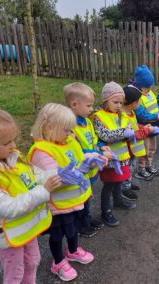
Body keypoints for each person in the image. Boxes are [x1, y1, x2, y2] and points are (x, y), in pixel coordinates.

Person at [0, 108, 61, 284]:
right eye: (6, 143)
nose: (13, 146)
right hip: (6, 235)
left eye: (13, 140)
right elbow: (8, 207)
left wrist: (58, 174)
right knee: (15, 273)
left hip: (26, 227)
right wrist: (44, 191)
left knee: (33, 261)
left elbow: (34, 176)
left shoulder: (13, 158)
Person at [28, 103, 101, 281]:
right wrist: (81, 171)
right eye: (66, 130)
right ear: (50, 128)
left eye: (70, 130)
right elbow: (54, 180)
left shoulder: (67, 140)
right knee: (57, 234)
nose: (70, 134)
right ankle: (58, 261)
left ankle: (73, 251)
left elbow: (78, 158)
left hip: (75, 201)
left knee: (74, 229)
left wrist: (93, 157)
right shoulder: (42, 151)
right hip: (58, 206)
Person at [64, 82, 111, 238]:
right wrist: (97, 153)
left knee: (88, 195)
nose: (92, 109)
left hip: (91, 169)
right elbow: (78, 152)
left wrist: (101, 147)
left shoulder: (88, 121)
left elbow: (94, 140)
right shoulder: (69, 128)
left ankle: (87, 218)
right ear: (74, 104)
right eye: (89, 105)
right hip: (81, 170)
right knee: (81, 197)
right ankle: (81, 225)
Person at [92, 82, 137, 228]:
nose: (119, 105)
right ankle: (106, 211)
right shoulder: (98, 117)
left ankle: (118, 201)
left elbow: (128, 130)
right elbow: (105, 135)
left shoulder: (121, 115)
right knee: (109, 185)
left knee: (119, 181)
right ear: (106, 100)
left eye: (121, 102)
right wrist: (123, 133)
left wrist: (129, 134)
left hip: (122, 157)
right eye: (115, 102)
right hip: (110, 160)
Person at [132, 65, 159, 179]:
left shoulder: (149, 93)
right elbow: (142, 114)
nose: (149, 89)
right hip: (144, 128)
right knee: (144, 150)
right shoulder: (138, 98)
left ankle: (149, 165)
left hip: (153, 127)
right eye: (146, 87)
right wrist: (158, 116)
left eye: (150, 86)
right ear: (139, 86)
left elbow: (155, 106)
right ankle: (141, 169)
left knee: (152, 148)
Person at [122, 85, 159, 180]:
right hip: (127, 148)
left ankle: (129, 184)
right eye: (139, 100)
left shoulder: (131, 112)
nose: (140, 102)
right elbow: (131, 133)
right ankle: (128, 184)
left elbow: (134, 126)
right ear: (133, 103)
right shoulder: (123, 116)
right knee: (127, 169)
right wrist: (146, 130)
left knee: (130, 167)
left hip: (133, 147)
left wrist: (142, 127)